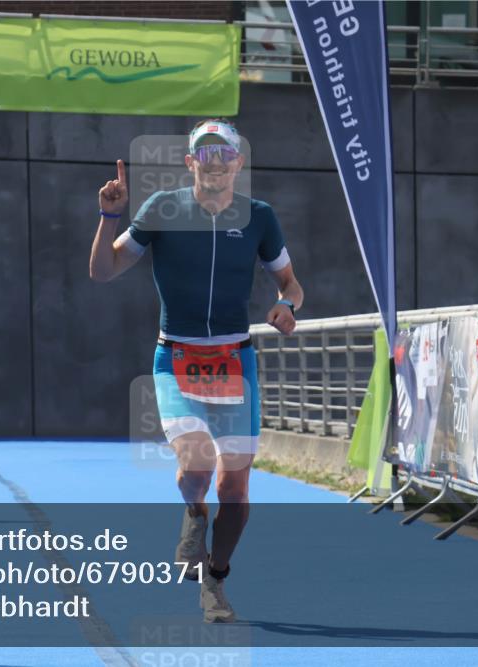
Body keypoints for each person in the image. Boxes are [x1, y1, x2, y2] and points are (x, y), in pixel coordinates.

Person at [89, 119, 303, 622]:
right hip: (178, 359)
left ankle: (217, 578)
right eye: (202, 155)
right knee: (197, 465)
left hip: (235, 359)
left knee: (236, 490)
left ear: (237, 163)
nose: (213, 163)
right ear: (190, 163)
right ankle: (192, 512)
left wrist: (288, 305)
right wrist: (107, 216)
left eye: (222, 154)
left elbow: (291, 284)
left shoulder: (260, 217)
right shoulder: (162, 209)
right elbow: (103, 271)